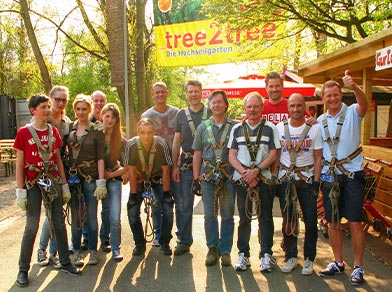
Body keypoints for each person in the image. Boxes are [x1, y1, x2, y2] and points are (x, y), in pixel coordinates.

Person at [14, 94, 81, 287]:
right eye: (44, 106)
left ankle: (66, 262)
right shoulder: (24, 133)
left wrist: (64, 185)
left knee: (59, 223)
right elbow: (19, 164)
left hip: (52, 181)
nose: (48, 109)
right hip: (33, 183)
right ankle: (23, 270)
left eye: (48, 106)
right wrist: (20, 191)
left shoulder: (53, 132)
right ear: (33, 110)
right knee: (31, 226)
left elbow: (59, 159)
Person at [318, 70, 369, 286]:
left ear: (341, 94)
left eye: (335, 94)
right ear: (323, 98)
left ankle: (358, 266)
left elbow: (364, 105)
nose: (332, 98)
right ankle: (338, 262)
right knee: (333, 222)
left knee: (356, 222)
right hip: (330, 176)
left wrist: (355, 87)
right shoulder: (320, 121)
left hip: (352, 175)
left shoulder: (352, 113)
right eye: (328, 96)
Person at [228, 92, 280, 272]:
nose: (252, 110)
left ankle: (266, 254)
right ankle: (243, 255)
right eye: (249, 107)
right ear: (245, 108)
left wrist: (256, 171)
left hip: (263, 179)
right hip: (243, 181)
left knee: (265, 217)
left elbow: (274, 153)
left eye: (255, 106)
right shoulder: (236, 129)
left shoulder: (270, 128)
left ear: (261, 107)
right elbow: (232, 155)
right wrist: (245, 173)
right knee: (244, 218)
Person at [275, 93, 322, 275]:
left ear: (305, 107)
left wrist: (316, 182)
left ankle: (309, 258)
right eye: (292, 106)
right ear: (288, 108)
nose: (295, 109)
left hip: (307, 179)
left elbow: (318, 158)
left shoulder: (314, 129)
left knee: (310, 221)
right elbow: (277, 155)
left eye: (299, 105)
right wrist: (274, 178)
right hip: (286, 179)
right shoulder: (280, 128)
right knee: (289, 220)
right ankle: (291, 256)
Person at [192, 90, 237, 266]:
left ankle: (225, 251)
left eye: (220, 102)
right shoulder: (203, 128)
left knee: (227, 215)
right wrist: (196, 178)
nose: (217, 105)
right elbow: (197, 153)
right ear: (210, 106)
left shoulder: (235, 127)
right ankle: (212, 248)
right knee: (209, 216)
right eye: (213, 102)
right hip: (208, 178)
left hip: (228, 177)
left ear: (226, 104)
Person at [124, 118, 174, 256]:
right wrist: (133, 194)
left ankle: (164, 243)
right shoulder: (131, 145)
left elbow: (165, 171)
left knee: (168, 210)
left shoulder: (161, 144)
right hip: (140, 179)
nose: (146, 136)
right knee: (132, 210)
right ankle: (139, 244)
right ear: (138, 132)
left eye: (149, 132)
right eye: (143, 133)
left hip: (158, 178)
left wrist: (166, 194)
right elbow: (132, 172)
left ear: (154, 132)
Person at [67, 94, 106, 267]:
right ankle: (76, 251)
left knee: (91, 215)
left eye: (84, 109)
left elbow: (100, 157)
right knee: (76, 216)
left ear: (89, 110)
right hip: (74, 178)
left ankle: (92, 249)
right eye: (78, 109)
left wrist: (101, 181)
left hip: (90, 177)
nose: (81, 112)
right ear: (74, 110)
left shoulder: (97, 131)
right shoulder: (69, 129)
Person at [172, 80, 211, 256]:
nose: (193, 94)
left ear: (202, 92)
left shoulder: (210, 112)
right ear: (186, 94)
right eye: (190, 92)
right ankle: (184, 240)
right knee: (184, 205)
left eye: (196, 91)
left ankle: (213, 244)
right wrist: (175, 165)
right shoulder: (181, 115)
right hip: (187, 164)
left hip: (208, 165)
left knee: (210, 206)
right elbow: (176, 141)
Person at [141, 82, 179, 247]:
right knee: (157, 202)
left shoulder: (177, 113)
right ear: (152, 94)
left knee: (176, 200)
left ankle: (176, 234)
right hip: (155, 166)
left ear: (167, 93)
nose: (160, 95)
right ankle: (158, 233)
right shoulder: (147, 115)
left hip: (174, 162)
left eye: (162, 92)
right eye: (157, 92)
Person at [37, 86, 71, 269]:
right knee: (51, 212)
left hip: (61, 171)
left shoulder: (67, 121)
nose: (60, 103)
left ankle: (53, 253)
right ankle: (43, 250)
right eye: (57, 99)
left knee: (58, 214)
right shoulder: (44, 119)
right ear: (50, 99)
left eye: (64, 100)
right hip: (43, 172)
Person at [80, 90, 110, 252]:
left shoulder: (109, 118)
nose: (99, 103)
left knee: (106, 209)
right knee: (87, 208)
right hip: (90, 172)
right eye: (96, 101)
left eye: (101, 101)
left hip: (109, 171)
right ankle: (86, 238)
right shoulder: (85, 120)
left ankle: (105, 238)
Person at [101, 103, 128, 261]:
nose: (110, 120)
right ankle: (104, 239)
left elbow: (128, 167)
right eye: (107, 116)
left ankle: (116, 247)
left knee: (115, 216)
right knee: (103, 212)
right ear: (102, 116)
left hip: (113, 180)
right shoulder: (95, 135)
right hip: (96, 179)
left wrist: (111, 175)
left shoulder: (121, 140)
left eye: (113, 117)